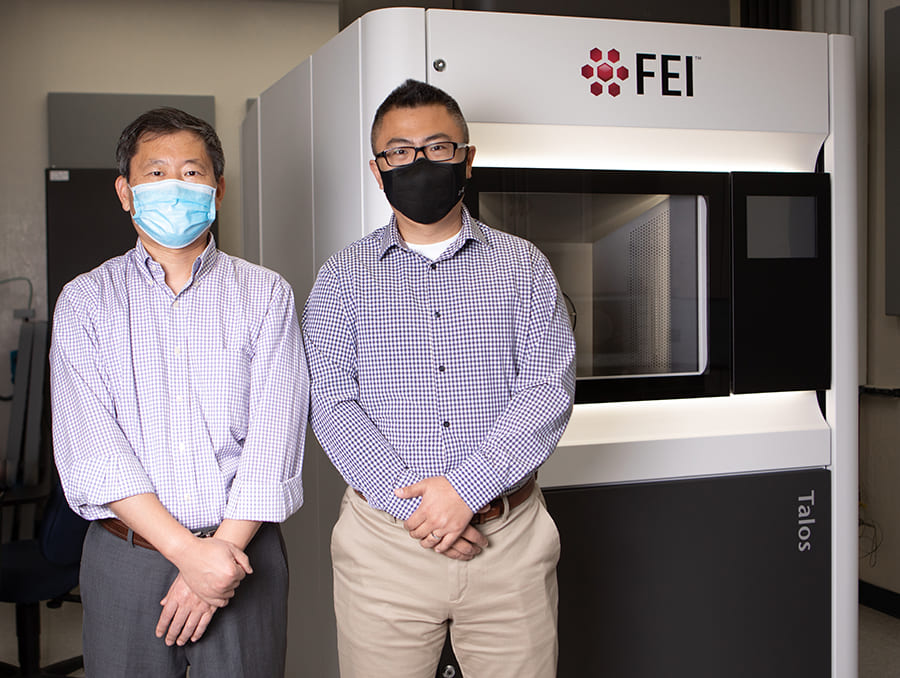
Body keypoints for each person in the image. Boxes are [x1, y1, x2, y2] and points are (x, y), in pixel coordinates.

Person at [303, 79, 576, 677]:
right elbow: (331, 403)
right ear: (378, 172)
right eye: (399, 152)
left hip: (511, 543)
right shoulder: (342, 278)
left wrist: (464, 493)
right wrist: (424, 515)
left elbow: (548, 391)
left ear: (467, 160)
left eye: (437, 147)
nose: (418, 163)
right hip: (383, 550)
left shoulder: (525, 266)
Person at [50, 107, 306, 677]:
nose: (174, 186)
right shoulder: (85, 301)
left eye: (191, 173)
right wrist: (189, 555)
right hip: (128, 556)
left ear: (218, 186)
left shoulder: (266, 295)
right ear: (126, 191)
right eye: (156, 172)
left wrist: (218, 558)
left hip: (245, 554)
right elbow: (92, 450)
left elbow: (276, 439)